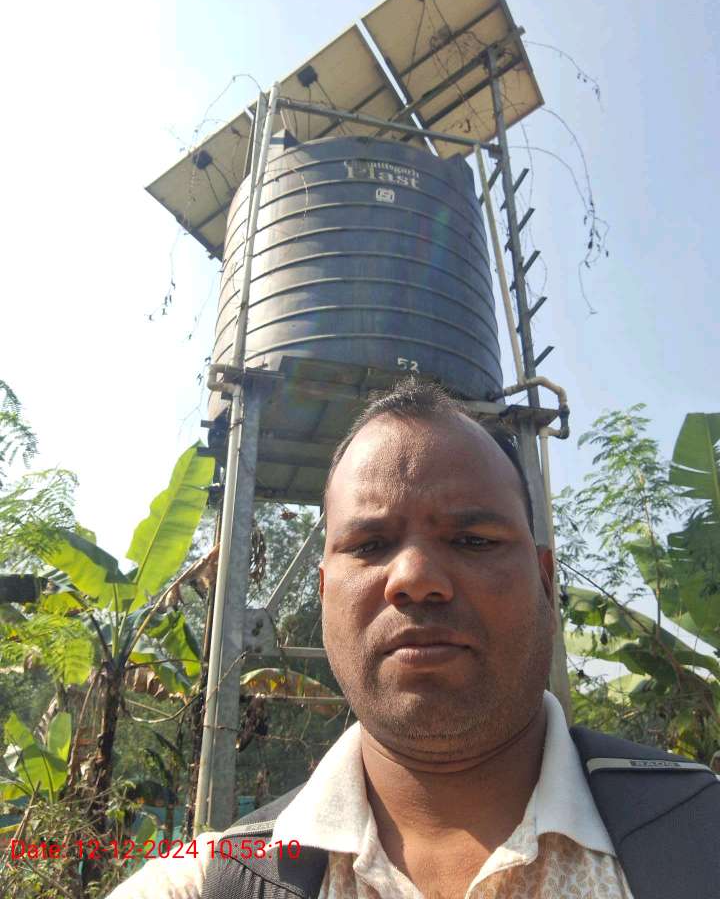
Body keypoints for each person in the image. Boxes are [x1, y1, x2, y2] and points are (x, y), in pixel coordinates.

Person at [106, 378, 719, 899]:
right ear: (324, 592)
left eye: (473, 540)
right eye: (370, 544)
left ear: (545, 582)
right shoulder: (216, 882)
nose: (415, 578)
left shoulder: (699, 835)